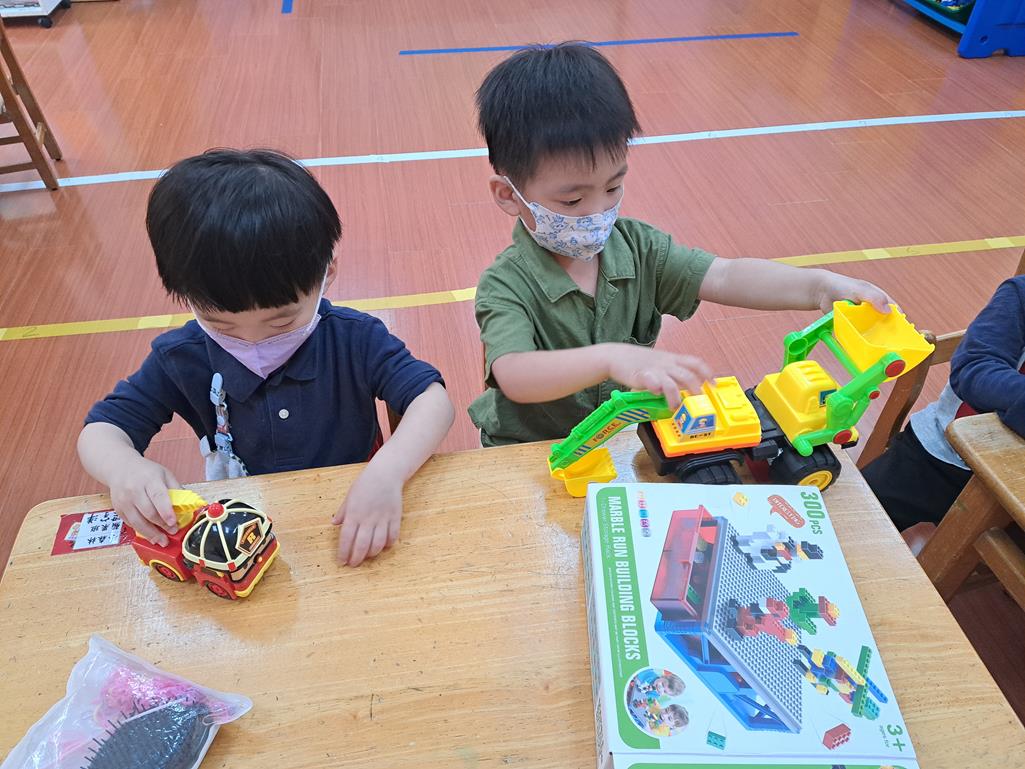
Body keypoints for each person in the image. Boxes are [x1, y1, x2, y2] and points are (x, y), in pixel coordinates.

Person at [468, 42, 893, 446]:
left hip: (613, 441)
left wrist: (817, 287)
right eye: (573, 200)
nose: (599, 212)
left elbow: (725, 275)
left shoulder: (639, 248)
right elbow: (515, 374)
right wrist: (610, 358)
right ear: (509, 195)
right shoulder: (505, 284)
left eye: (613, 187)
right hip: (529, 450)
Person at [78, 149, 454, 566]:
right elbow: (101, 431)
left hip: (352, 507)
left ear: (327, 273)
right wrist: (124, 469)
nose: (252, 341)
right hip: (244, 523)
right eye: (221, 325)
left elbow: (432, 401)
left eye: (281, 322)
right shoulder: (182, 356)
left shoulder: (354, 338)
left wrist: (388, 472)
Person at [863, 275, 1025, 546]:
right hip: (943, 457)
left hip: (1015, 487)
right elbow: (974, 368)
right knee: (844, 522)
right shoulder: (1019, 294)